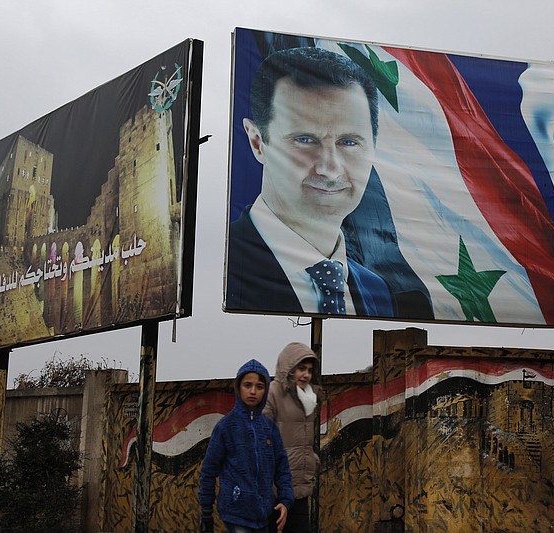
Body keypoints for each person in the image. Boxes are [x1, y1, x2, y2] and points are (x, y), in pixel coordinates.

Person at [227, 46, 394, 318]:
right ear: (257, 142)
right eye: (305, 140)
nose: (330, 169)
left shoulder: (378, 291)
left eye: (349, 142)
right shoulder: (224, 266)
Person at [199, 359, 294, 533]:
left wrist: (285, 501)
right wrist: (206, 511)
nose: (253, 391)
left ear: (265, 390)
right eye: (247, 385)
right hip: (236, 512)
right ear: (238, 388)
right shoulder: (225, 426)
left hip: (266, 513)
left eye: (259, 386)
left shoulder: (269, 428)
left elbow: (283, 469)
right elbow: (209, 471)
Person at [264, 342, 320, 533]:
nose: (306, 375)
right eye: (301, 368)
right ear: (288, 368)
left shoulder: (309, 398)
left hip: (300, 485)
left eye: (310, 370)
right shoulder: (272, 393)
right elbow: (263, 437)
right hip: (275, 487)